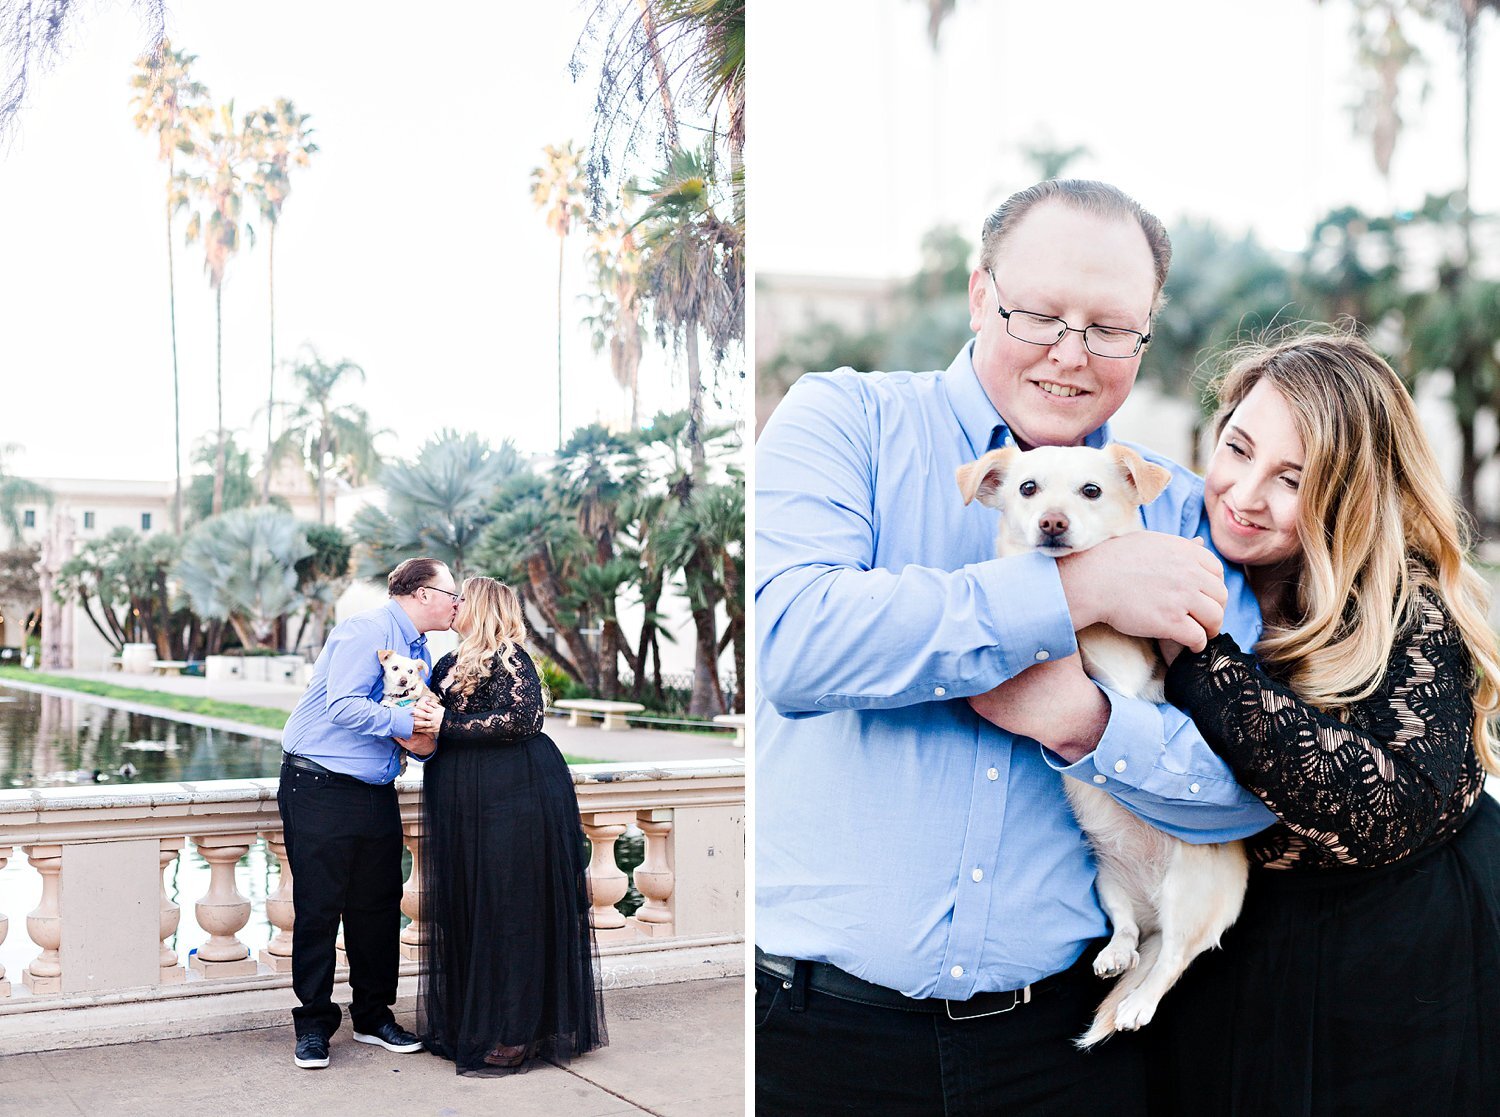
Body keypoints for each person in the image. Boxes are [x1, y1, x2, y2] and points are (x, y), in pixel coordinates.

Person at [754, 179, 1276, 1116]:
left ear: (1147, 329)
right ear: (978, 293)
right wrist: (1080, 588)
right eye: (1038, 313)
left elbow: (1252, 783)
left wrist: (1088, 722)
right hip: (814, 1038)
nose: (1071, 355)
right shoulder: (845, 422)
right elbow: (797, 642)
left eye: (1111, 328)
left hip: (1064, 1049)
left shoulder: (1187, 511)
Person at [1145, 332, 1500, 1115]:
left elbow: (1387, 809)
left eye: (1291, 479)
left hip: (1401, 963)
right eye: (1236, 447)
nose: (1242, 492)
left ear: (1350, 495)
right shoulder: (1172, 544)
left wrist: (1202, 659)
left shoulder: (1403, 604)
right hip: (1238, 948)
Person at [416, 576, 607, 1075]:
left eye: (461, 601)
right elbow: (425, 719)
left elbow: (522, 720)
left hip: (515, 796)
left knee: (511, 907)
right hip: (461, 799)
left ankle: (519, 1029)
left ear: (481, 608)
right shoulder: (446, 664)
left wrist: (446, 727)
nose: (453, 607)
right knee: (471, 904)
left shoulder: (511, 658)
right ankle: (474, 1020)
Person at [277, 556, 458, 1070]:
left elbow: (413, 737)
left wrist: (423, 741)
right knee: (318, 908)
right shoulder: (365, 630)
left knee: (379, 906)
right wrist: (411, 720)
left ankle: (374, 1017)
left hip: (375, 790)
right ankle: (312, 1026)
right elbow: (342, 706)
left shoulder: (420, 651)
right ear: (423, 594)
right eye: (452, 593)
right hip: (319, 785)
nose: (456, 604)